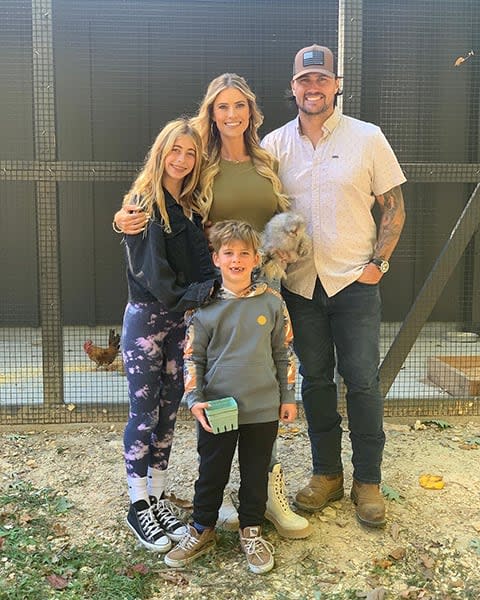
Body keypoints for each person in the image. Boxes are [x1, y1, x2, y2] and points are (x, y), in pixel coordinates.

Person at [113, 74, 311, 540]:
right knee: (216, 386)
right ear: (211, 113)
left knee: (264, 382)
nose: (231, 114)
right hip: (212, 292)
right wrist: (124, 219)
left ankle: (265, 498)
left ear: (250, 111)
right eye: (221, 106)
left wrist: (281, 249)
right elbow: (159, 212)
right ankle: (206, 495)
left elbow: (282, 217)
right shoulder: (201, 167)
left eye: (238, 105)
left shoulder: (267, 161)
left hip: (262, 287)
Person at [261, 44, 406, 528]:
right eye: (305, 80)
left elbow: (393, 206)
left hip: (354, 282)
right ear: (293, 86)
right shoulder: (275, 145)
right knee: (315, 381)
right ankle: (327, 474)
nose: (313, 87)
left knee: (363, 381)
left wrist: (378, 265)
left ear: (336, 85)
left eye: (322, 79)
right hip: (302, 287)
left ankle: (368, 480)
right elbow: (263, 211)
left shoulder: (368, 138)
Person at [164, 220, 297, 574]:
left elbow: (284, 351)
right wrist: (194, 399)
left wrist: (288, 396)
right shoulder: (204, 307)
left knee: (255, 473)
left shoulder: (272, 303)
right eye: (229, 253)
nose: (236, 260)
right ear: (216, 258)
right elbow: (194, 357)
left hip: (263, 406)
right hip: (218, 408)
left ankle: (251, 531)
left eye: (244, 254)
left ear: (256, 259)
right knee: (212, 471)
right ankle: (202, 528)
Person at [121, 118, 219, 553]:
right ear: (161, 151)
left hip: (180, 323)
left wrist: (217, 283)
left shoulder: (191, 208)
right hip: (148, 320)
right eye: (175, 150)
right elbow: (155, 275)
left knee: (166, 412)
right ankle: (137, 503)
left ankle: (158, 496)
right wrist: (203, 293)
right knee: (143, 413)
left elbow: (201, 264)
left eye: (191, 152)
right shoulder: (143, 203)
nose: (181, 159)